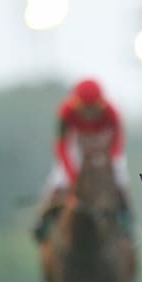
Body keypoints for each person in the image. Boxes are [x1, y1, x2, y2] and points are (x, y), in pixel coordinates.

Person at [32, 78, 131, 243]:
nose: (89, 114)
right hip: (76, 146)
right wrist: (72, 175)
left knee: (120, 179)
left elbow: (117, 142)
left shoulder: (111, 112)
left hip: (103, 147)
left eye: (93, 109)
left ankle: (126, 218)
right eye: (85, 109)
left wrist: (107, 164)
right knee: (56, 181)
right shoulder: (66, 111)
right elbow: (61, 144)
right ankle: (43, 219)